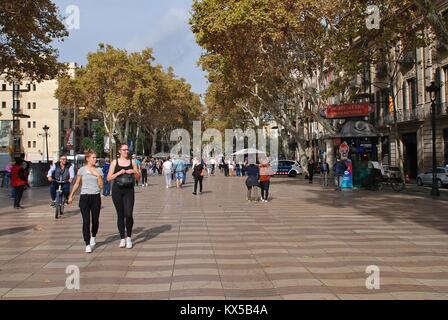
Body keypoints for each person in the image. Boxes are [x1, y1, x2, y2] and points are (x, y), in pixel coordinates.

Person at [68, 149, 103, 253]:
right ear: (87, 159)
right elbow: (77, 183)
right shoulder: (82, 170)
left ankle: (93, 235)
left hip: (95, 196)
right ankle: (87, 243)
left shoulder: (99, 170)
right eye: (93, 157)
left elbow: (101, 186)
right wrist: (71, 196)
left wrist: (97, 175)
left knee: (95, 220)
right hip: (84, 197)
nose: (95, 159)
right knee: (86, 221)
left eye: (95, 157)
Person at [107, 143, 140, 249]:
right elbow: (108, 178)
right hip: (117, 190)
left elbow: (138, 177)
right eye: (124, 150)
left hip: (129, 190)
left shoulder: (132, 162)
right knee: (120, 214)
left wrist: (134, 171)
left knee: (129, 214)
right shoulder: (114, 162)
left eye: (127, 150)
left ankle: (129, 237)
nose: (126, 151)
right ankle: (122, 238)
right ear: (119, 151)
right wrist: (118, 173)